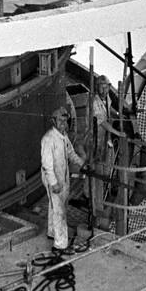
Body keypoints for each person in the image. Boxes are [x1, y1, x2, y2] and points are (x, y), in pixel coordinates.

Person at [41, 106, 85, 253]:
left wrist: (82, 163)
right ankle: (60, 245)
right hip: (53, 179)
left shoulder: (63, 136)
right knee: (59, 210)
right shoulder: (48, 139)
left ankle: (52, 232)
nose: (63, 124)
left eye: (65, 121)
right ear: (53, 121)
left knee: (55, 206)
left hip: (63, 177)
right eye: (60, 121)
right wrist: (53, 184)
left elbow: (71, 153)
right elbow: (47, 165)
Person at [86, 77, 117, 229]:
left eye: (106, 87)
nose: (104, 90)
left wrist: (118, 114)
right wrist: (117, 131)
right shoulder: (94, 102)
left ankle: (95, 194)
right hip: (96, 140)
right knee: (95, 170)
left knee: (102, 169)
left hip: (104, 140)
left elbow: (109, 109)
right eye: (101, 87)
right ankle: (94, 201)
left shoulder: (106, 98)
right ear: (97, 88)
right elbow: (102, 122)